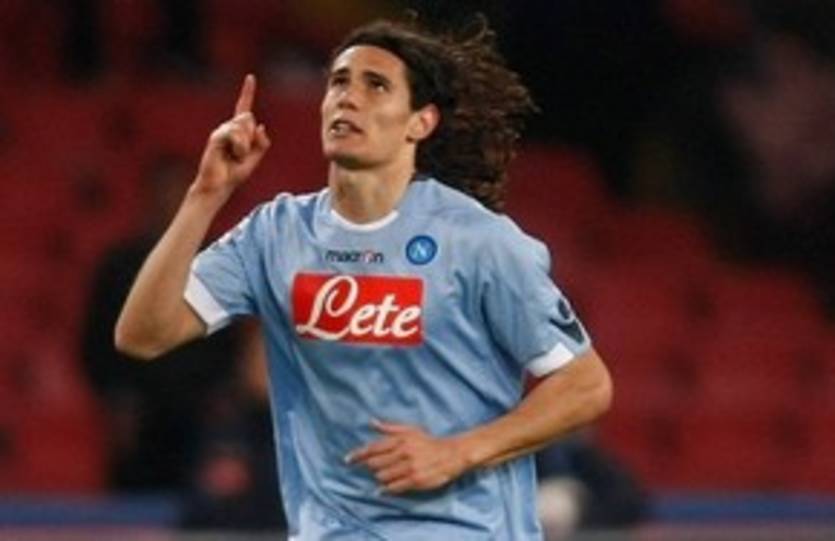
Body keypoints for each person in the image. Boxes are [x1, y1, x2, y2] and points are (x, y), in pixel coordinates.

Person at [115, 14, 612, 540]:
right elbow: (143, 334)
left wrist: (458, 452)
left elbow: (586, 385)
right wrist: (205, 195)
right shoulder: (275, 235)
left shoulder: (479, 242)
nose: (348, 98)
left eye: (375, 85)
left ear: (420, 122)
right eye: (338, 82)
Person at [82, 153, 239, 492]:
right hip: (139, 415)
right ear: (148, 196)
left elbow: (231, 339)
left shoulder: (215, 260)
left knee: (202, 501)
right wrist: (118, 399)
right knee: (135, 499)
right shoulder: (120, 264)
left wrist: (222, 399)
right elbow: (96, 340)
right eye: (164, 190)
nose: (171, 199)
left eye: (180, 190)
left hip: (198, 413)